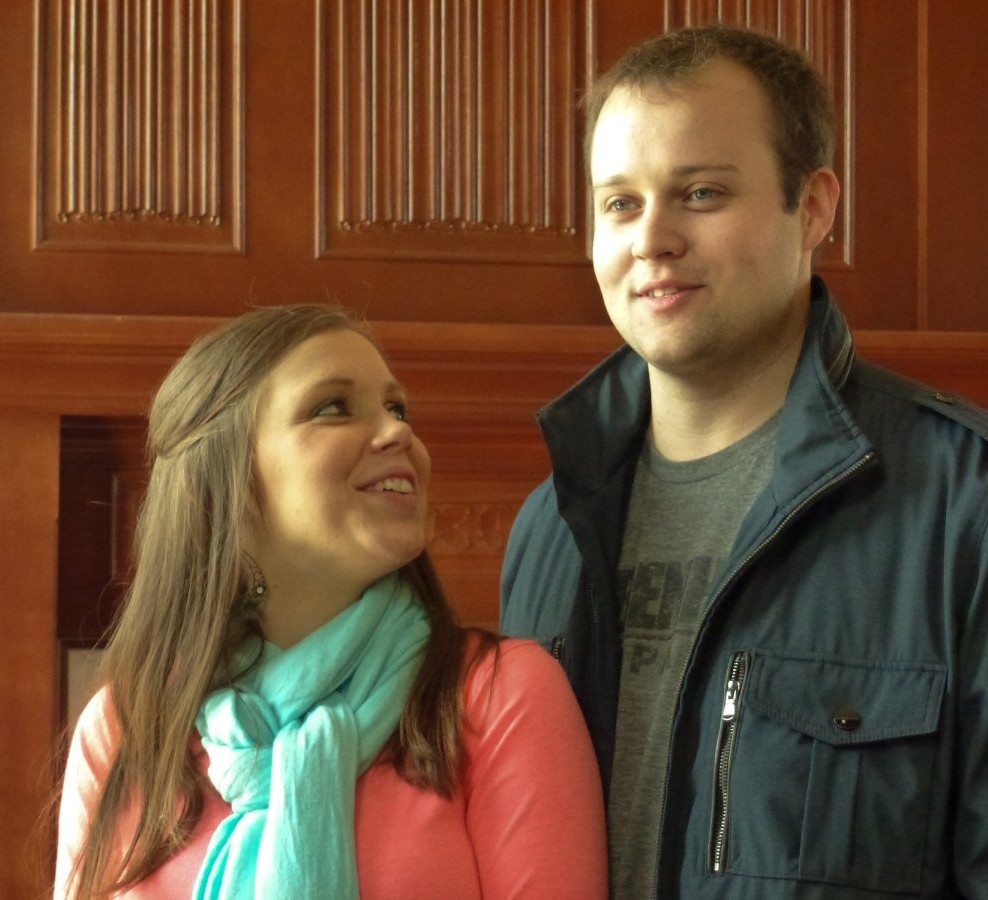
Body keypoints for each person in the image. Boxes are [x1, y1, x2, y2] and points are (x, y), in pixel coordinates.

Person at [500, 23, 988, 899]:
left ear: (812, 207)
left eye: (701, 193)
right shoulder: (547, 525)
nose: (651, 238)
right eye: (619, 203)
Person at [56, 305, 607, 898]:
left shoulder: (500, 695)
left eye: (397, 408)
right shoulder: (125, 726)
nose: (398, 432)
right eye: (333, 408)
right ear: (216, 485)